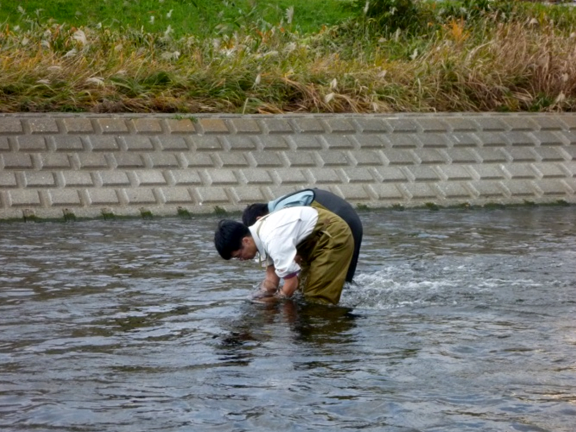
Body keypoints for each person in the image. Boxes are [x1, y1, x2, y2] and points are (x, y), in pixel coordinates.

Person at [214, 205, 354, 305]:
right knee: (303, 291)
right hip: (313, 240)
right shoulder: (257, 235)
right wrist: (257, 296)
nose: (241, 260)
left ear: (246, 241)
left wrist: (276, 300)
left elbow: (291, 283)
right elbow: (271, 279)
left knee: (316, 299)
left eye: (239, 255)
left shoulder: (272, 239)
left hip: (331, 234)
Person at [241, 188, 363, 283]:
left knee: (332, 281)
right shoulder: (281, 203)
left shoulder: (278, 216)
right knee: (343, 280)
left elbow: (295, 256)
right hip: (347, 220)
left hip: (342, 223)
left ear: (259, 219)